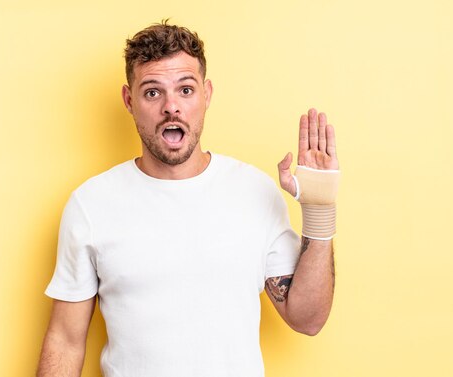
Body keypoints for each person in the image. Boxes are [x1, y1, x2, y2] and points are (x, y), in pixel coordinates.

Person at [37, 21, 339, 377]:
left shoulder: (254, 192)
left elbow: (308, 318)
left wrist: (319, 209)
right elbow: (66, 340)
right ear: (128, 100)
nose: (171, 107)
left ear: (207, 94)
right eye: (152, 92)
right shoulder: (90, 205)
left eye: (185, 90)